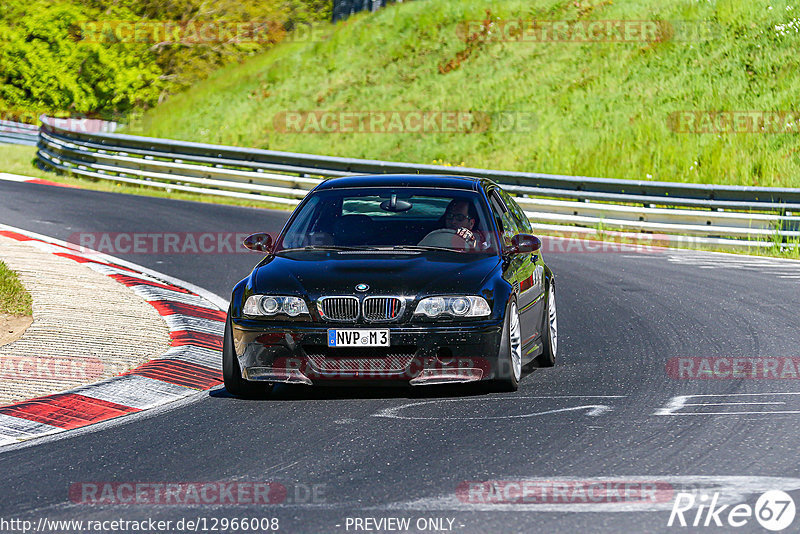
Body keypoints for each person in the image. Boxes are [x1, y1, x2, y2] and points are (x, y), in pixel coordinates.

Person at [418, 199, 483, 249]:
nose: (453, 221)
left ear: (471, 223)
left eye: (459, 218)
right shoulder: (432, 238)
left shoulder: (480, 243)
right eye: (450, 216)